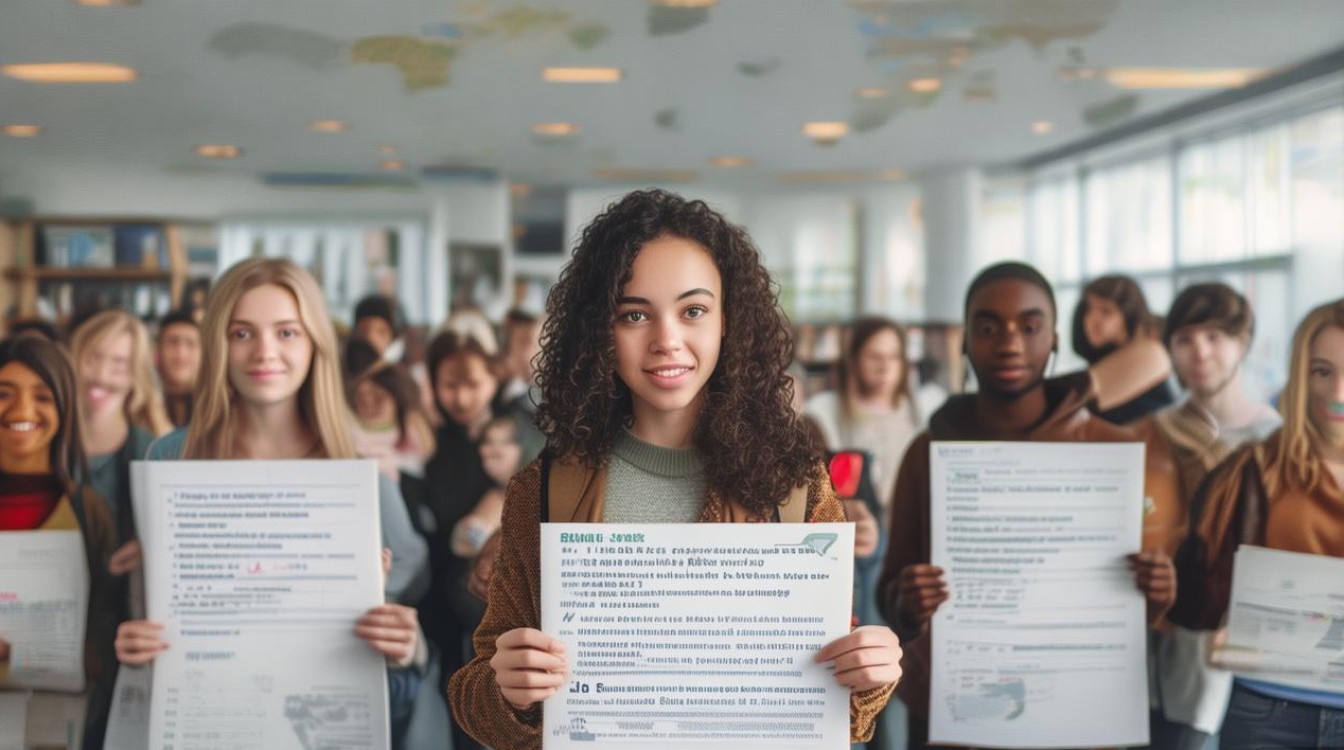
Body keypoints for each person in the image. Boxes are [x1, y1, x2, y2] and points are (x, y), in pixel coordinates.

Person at [448, 189, 902, 749]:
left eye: (693, 311)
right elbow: (475, 697)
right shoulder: (542, 489)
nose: (667, 341)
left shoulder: (795, 486)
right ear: (600, 330)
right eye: (634, 314)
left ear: (728, 321)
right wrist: (506, 691)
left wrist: (870, 674)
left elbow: (838, 709)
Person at [111, 258, 430, 745]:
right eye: (242, 333)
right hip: (205, 724)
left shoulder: (357, 474)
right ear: (218, 344)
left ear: (315, 342)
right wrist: (136, 643)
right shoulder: (171, 458)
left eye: (286, 332)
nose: (264, 352)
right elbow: (150, 615)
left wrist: (406, 646)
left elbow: (397, 658)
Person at [878, 261, 1178, 750]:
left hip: (1077, 714)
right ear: (964, 341)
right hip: (955, 714)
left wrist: (1159, 591)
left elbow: (1128, 603)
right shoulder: (928, 451)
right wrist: (906, 603)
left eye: (1030, 326)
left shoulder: (1110, 450)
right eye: (988, 328)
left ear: (1055, 338)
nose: (1010, 343)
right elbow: (889, 593)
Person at [1169, 298, 1344, 750]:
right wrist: (1221, 627)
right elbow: (1200, 600)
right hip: (1270, 709)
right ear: (1301, 374)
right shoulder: (1256, 468)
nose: (1339, 392)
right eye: (1322, 371)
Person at [0, 335, 120, 749]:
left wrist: (56, 651)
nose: (22, 411)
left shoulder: (89, 512)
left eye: (43, 396)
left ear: (65, 407)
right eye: (4, 394)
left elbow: (110, 628)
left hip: (57, 725)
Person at [418, 329, 506, 750]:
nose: (462, 397)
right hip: (442, 594)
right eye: (449, 385)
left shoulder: (517, 434)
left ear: (494, 378)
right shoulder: (432, 444)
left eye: (473, 383)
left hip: (497, 599)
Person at [69, 309, 172, 543]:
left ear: (137, 374)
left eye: (119, 363)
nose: (101, 375)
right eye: (93, 358)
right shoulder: (47, 441)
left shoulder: (152, 450)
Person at [804, 316, 923, 511]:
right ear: (855, 360)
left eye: (893, 357)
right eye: (875, 357)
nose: (885, 368)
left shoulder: (920, 411)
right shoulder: (824, 412)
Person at [1073, 274, 1178, 424]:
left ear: (1130, 315)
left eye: (1106, 311)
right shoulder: (1100, 362)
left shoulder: (1151, 354)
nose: (1093, 319)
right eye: (1089, 309)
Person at [154, 309, 202, 428]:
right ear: (157, 351)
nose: (181, 353)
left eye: (190, 343)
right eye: (173, 342)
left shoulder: (219, 407)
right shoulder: (139, 406)